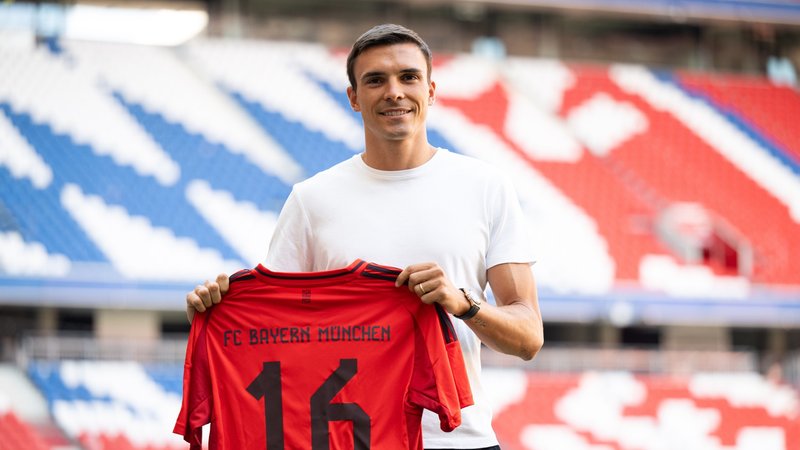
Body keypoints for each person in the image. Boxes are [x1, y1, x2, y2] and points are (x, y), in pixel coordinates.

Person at [186, 23, 543, 450]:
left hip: (459, 439)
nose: (394, 91)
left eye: (408, 77)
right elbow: (276, 331)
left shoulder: (486, 187)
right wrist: (215, 314)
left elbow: (528, 338)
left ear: (430, 90)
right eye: (375, 80)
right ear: (354, 97)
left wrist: (462, 302)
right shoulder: (311, 199)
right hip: (349, 441)